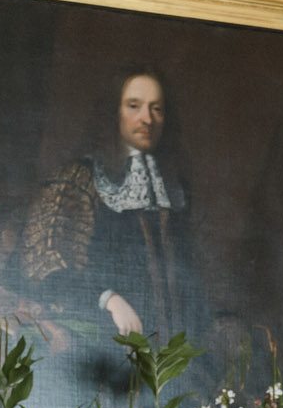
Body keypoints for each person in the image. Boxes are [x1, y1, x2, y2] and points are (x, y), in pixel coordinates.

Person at [17, 66, 196, 387]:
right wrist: (109, 299)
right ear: (113, 112)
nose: (147, 119)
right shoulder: (80, 177)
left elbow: (193, 273)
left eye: (157, 109)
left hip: (169, 354)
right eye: (134, 106)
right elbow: (44, 261)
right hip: (101, 345)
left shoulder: (173, 184)